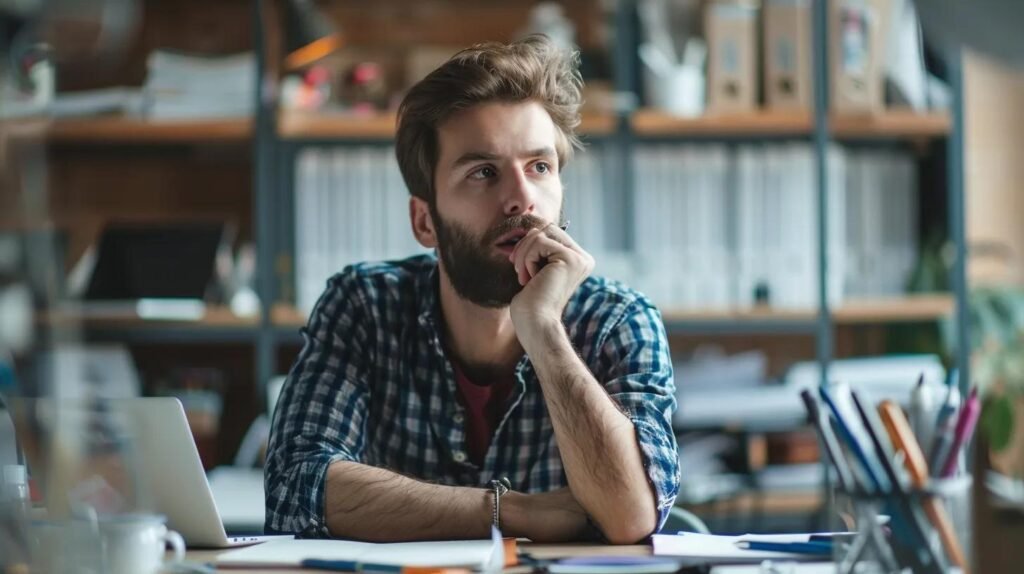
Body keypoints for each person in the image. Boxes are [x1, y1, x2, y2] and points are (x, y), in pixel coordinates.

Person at [265, 35, 679, 544]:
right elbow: (293, 490)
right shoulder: (364, 305)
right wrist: (512, 512)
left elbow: (631, 517)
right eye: (484, 172)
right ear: (425, 222)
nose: (521, 199)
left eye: (539, 167)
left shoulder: (619, 320)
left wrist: (544, 330)